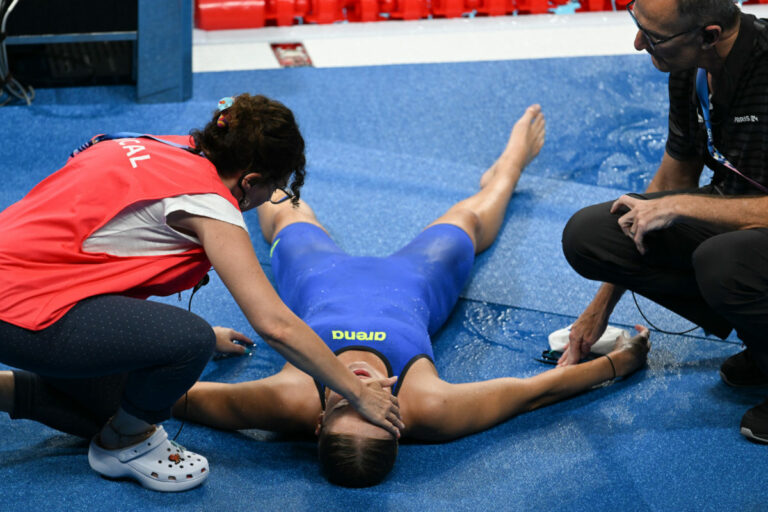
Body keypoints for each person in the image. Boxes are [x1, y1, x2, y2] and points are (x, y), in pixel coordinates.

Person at [173, 105, 651, 487]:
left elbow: (172, 397)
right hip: (414, 281)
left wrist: (188, 340)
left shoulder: (287, 401)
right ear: (398, 425)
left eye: (347, 405)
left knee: (282, 210)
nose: (363, 391)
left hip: (318, 276)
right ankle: (509, 167)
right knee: (470, 219)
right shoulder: (429, 406)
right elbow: (531, 393)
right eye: (377, 411)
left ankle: (253, 174)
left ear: (319, 423)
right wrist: (617, 365)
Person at [0, 93, 402, 492]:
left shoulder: (154, 144)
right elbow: (275, 325)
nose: (268, 200)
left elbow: (99, 255)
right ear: (250, 181)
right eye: (273, 189)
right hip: (17, 308)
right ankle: (122, 445)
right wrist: (357, 393)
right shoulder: (209, 205)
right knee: (186, 345)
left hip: (25, 285)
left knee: (126, 401)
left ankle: (13, 392)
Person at [560, 0, 768, 444]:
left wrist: (685, 207)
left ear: (708, 34)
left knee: (723, 261)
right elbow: (673, 179)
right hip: (744, 227)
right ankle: (763, 345)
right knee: (591, 236)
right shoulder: (690, 65)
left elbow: (681, 201)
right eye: (638, 26)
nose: (638, 44)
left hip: (746, 242)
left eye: (653, 37)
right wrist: (600, 308)